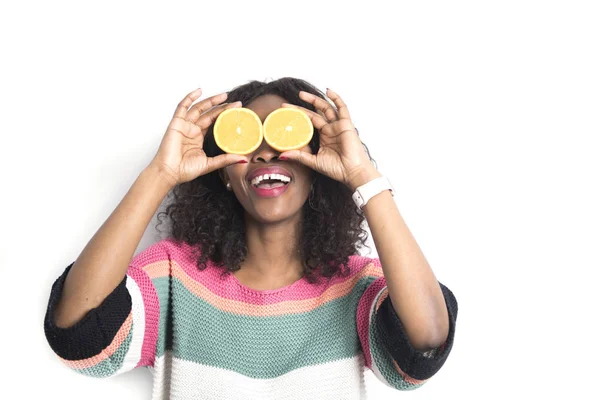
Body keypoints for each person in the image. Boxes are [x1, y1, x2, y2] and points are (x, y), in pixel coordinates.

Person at [44, 77, 458, 399]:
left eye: (284, 138)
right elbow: (78, 333)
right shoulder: (173, 277)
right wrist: (160, 175)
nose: (264, 153)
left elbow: (426, 341)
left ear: (317, 165)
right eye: (246, 138)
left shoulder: (355, 286)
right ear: (224, 171)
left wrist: (364, 177)